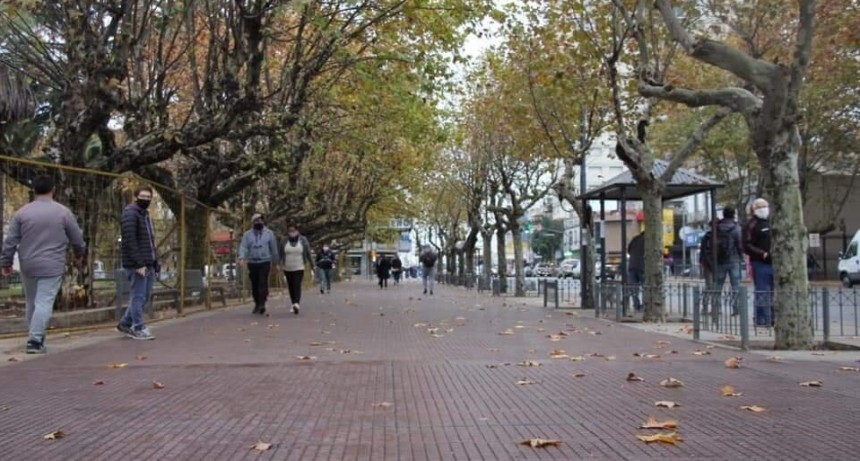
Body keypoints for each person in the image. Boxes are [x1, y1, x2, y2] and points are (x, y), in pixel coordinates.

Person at [1, 175, 85, 353]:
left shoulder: (21, 213)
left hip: (27, 263)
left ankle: (35, 335)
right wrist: (79, 255)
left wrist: (6, 262)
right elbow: (77, 239)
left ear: (34, 191)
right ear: (53, 190)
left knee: (31, 302)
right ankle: (35, 340)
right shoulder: (63, 213)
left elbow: (10, 241)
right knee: (44, 302)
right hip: (52, 264)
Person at [117, 185, 159, 340]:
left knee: (144, 296)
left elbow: (149, 240)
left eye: (149, 197)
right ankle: (139, 327)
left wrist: (154, 262)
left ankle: (125, 323)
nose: (146, 200)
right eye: (143, 196)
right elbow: (130, 241)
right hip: (137, 264)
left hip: (148, 262)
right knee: (138, 296)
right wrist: (138, 263)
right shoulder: (131, 214)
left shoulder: (144, 215)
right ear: (136, 196)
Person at [238, 214, 280, 315]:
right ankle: (257, 303)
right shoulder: (247, 235)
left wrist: (275, 263)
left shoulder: (269, 233)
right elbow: (243, 247)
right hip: (252, 262)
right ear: (252, 223)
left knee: (262, 282)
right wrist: (242, 257)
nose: (259, 223)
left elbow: (273, 249)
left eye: (261, 221)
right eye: (256, 221)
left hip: (265, 261)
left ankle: (262, 303)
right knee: (255, 284)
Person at [744, 198, 773, 327]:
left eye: (765, 206)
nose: (763, 209)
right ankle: (761, 318)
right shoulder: (752, 225)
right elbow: (746, 244)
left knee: (773, 292)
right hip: (760, 263)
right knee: (762, 291)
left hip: (774, 262)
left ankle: (772, 317)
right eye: (760, 207)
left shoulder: (771, 223)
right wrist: (762, 253)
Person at [714, 207, 744, 316]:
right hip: (734, 259)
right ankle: (736, 310)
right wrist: (741, 256)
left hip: (720, 260)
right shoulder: (737, 228)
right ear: (733, 214)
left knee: (718, 286)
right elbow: (740, 245)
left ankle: (717, 309)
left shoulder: (717, 227)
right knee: (735, 285)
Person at [280, 224, 313, 314]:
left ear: (297, 231)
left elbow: (308, 253)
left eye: (293, 230)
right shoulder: (284, 241)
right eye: (290, 231)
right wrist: (278, 264)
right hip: (287, 267)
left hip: (299, 266)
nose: (292, 233)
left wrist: (312, 265)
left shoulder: (303, 240)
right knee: (290, 286)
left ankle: (297, 303)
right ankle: (293, 303)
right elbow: (280, 254)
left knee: (296, 284)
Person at [699, 219, 716, 316]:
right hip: (710, 265)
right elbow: (704, 252)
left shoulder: (707, 236)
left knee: (711, 287)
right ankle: (707, 308)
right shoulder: (708, 237)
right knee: (710, 287)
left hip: (709, 264)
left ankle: (712, 308)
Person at [627, 229, 645, 312]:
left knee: (634, 288)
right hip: (643, 267)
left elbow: (629, 250)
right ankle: (645, 305)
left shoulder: (635, 239)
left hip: (632, 265)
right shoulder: (648, 241)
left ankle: (636, 306)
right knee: (646, 287)